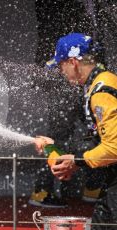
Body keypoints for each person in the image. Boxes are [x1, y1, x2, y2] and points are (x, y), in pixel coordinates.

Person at [44, 33, 117, 229]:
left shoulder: (101, 92)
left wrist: (76, 161)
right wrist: (66, 157)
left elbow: (114, 149)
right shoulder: (103, 82)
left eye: (61, 65)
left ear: (73, 62)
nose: (61, 71)